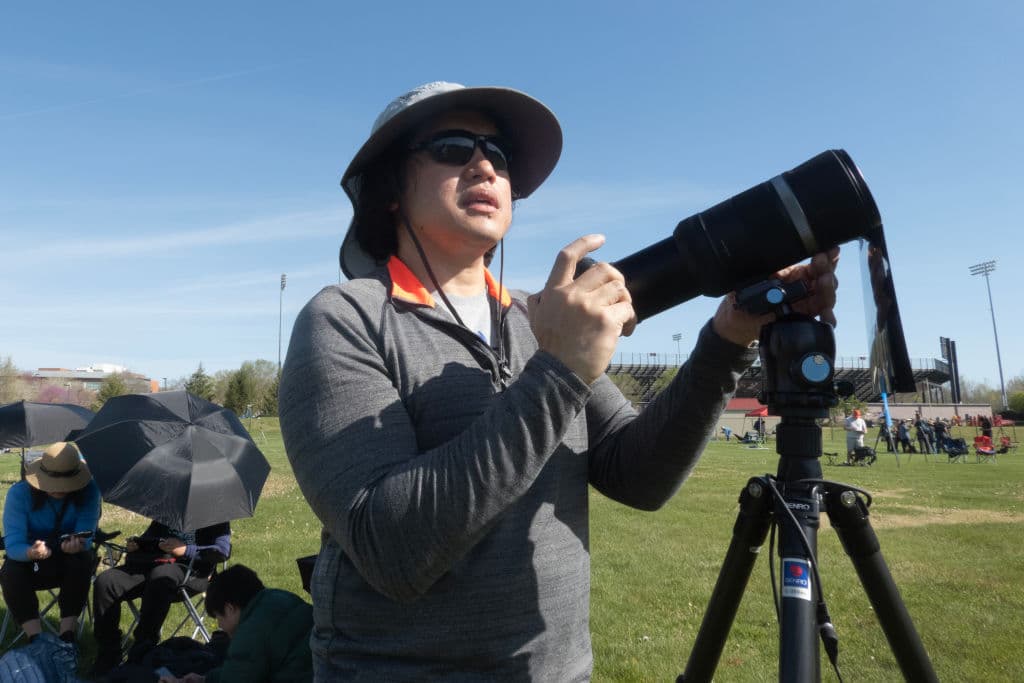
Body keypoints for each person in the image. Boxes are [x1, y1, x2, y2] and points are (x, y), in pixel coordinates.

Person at [278, 80, 840, 681]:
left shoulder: (536, 317)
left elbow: (638, 475)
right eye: (451, 146)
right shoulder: (345, 318)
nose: (485, 164)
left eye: (499, 153)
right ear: (391, 187)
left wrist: (726, 339)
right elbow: (392, 549)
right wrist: (561, 369)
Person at [91, 518, 232, 674]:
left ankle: (143, 650)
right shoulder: (170, 508)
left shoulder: (215, 515)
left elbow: (222, 551)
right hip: (155, 564)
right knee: (106, 581)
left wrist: (186, 550)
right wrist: (138, 545)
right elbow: (150, 537)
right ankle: (109, 652)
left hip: (194, 573)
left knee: (161, 576)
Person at [0, 442, 101, 644]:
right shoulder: (19, 494)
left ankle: (67, 635)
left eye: (67, 483)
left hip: (69, 561)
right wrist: (30, 552)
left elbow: (87, 534)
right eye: (53, 484)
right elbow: (13, 545)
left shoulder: (90, 491)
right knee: (11, 572)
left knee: (81, 561)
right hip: (31, 561)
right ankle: (35, 638)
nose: (59, 490)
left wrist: (79, 545)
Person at [158, 564, 313, 683]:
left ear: (230, 608)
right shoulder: (279, 597)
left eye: (218, 617)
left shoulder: (251, 630)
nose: (220, 625)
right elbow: (243, 670)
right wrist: (205, 679)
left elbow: (238, 678)